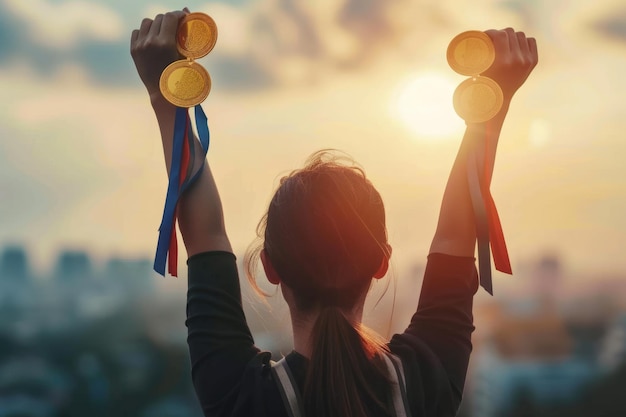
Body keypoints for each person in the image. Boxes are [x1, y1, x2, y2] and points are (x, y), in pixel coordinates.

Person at [131, 9, 538, 417]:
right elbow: (455, 237)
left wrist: (164, 96)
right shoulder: (422, 382)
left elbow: (206, 237)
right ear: (381, 262)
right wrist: (491, 101)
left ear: (270, 268)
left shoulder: (244, 397)